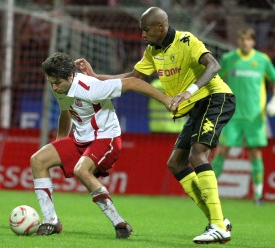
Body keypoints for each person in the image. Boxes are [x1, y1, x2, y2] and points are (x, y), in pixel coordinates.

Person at [75, 6, 235, 245]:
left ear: (161, 26)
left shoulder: (186, 40)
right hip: (197, 107)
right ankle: (218, 219)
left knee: (198, 155)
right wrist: (97, 77)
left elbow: (214, 66)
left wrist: (187, 92)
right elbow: (133, 78)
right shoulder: (153, 50)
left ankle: (218, 226)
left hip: (216, 98)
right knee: (176, 163)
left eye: (145, 29)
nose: (142, 34)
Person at [31, 52, 172, 238]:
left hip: (106, 138)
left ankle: (119, 223)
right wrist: (60, 142)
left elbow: (133, 82)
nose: (55, 87)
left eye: (58, 82)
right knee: (38, 160)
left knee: (81, 170)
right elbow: (66, 112)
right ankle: (51, 221)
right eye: (51, 82)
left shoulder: (90, 87)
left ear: (70, 76)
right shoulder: (60, 87)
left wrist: (166, 100)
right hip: (80, 139)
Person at [211, 28, 275, 205]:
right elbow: (217, 79)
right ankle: (209, 192)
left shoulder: (262, 60)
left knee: (255, 153)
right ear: (238, 41)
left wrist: (273, 101)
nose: (245, 43)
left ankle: (258, 194)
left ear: (253, 42)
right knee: (222, 150)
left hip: (255, 117)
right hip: (232, 115)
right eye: (242, 40)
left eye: (248, 40)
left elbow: (273, 79)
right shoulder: (229, 59)